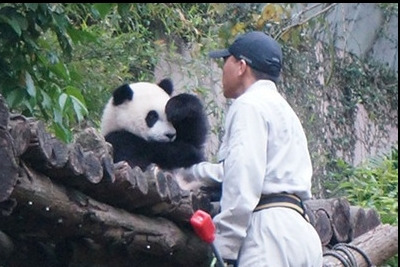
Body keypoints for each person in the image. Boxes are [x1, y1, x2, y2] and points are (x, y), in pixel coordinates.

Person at [181, 31, 323, 267]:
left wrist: (225, 245)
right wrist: (193, 173)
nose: (222, 68)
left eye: (226, 60)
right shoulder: (285, 111)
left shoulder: (248, 105)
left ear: (241, 66)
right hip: (302, 234)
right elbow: (240, 169)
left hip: (269, 236)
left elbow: (243, 175)